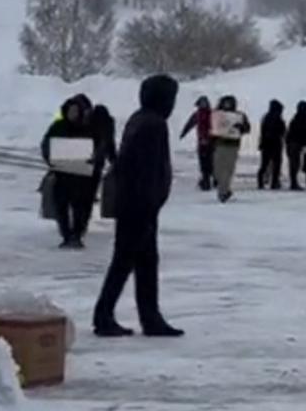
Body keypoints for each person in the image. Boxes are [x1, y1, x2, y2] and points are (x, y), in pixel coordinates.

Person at [93, 74, 184, 338]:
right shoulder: (153, 125)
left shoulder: (139, 119)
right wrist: (149, 204)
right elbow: (146, 170)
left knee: (144, 262)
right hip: (140, 205)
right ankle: (105, 314)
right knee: (125, 261)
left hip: (135, 203)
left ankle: (150, 316)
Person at [41, 95, 95, 249]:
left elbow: (95, 146)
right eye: (71, 111)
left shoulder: (87, 128)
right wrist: (50, 160)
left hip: (81, 176)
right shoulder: (57, 126)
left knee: (80, 207)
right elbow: (46, 144)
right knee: (61, 206)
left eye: (76, 111)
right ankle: (66, 235)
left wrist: (93, 159)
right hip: (62, 173)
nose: (73, 114)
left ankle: (77, 235)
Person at [210, 95, 251, 202]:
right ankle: (225, 190)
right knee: (217, 170)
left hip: (232, 145)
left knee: (227, 170)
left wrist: (240, 127)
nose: (227, 105)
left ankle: (222, 193)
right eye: (225, 103)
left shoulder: (239, 115)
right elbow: (210, 128)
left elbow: (247, 128)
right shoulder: (217, 115)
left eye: (229, 103)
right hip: (219, 144)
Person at [179, 96, 214, 191]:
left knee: (205, 163)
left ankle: (206, 182)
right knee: (209, 162)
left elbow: (189, 124)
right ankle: (210, 181)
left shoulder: (199, 114)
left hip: (206, 142)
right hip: (208, 142)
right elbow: (189, 124)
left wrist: (183, 133)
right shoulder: (210, 114)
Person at [257, 100, 287, 190]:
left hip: (266, 144)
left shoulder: (266, 117)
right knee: (276, 164)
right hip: (275, 143)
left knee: (264, 164)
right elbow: (282, 130)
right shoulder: (278, 118)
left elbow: (263, 131)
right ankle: (274, 182)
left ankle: (261, 183)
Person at [285, 101, 306, 191]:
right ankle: (293, 183)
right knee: (294, 164)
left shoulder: (298, 118)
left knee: (295, 164)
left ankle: (294, 182)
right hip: (295, 143)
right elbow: (301, 132)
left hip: (294, 143)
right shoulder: (300, 119)